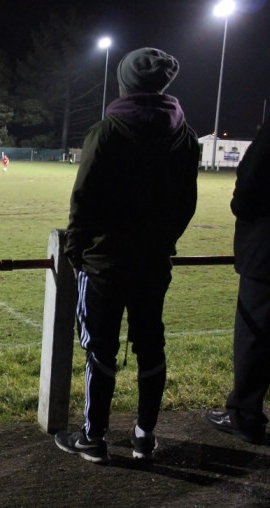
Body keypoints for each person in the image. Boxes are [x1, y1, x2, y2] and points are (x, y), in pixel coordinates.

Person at [54, 47, 199, 464]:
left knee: (100, 350)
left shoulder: (108, 131)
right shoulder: (185, 136)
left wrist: (77, 253)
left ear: (125, 83)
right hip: (153, 263)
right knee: (151, 346)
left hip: (104, 263)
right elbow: (185, 204)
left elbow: (83, 199)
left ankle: (93, 438)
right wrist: (163, 243)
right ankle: (144, 437)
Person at [206, 120, 270, 445]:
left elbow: (249, 186)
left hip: (265, 254)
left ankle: (244, 415)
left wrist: (241, 207)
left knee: (254, 335)